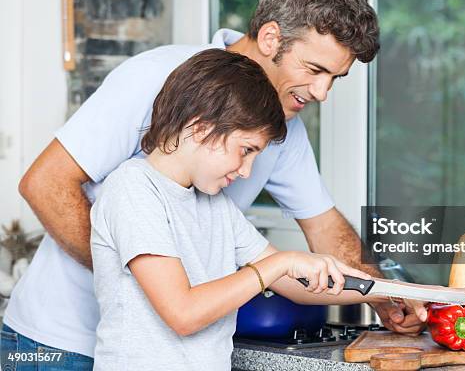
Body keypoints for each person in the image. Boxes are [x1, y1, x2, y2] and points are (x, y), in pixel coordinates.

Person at [2, 0, 427, 367]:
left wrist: (385, 295)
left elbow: (324, 230)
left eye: (336, 78)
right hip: (60, 340)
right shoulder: (159, 77)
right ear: (270, 38)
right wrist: (153, 281)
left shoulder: (280, 131)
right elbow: (45, 183)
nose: (322, 93)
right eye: (315, 70)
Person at [91, 48, 376, 370]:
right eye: (245, 150)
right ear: (200, 128)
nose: (246, 172)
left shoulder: (214, 205)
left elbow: (294, 286)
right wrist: (281, 262)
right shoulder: (132, 189)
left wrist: (385, 292)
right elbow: (183, 314)